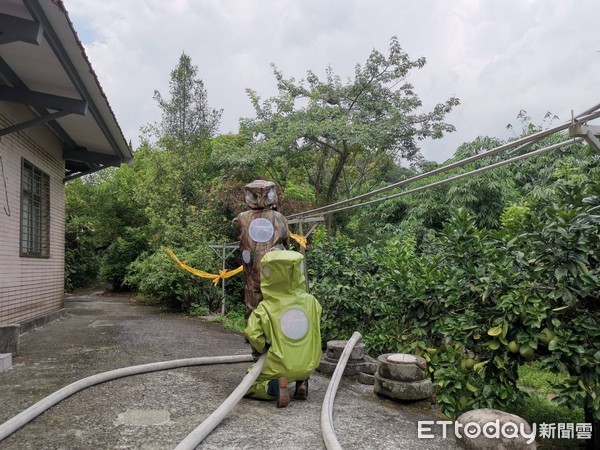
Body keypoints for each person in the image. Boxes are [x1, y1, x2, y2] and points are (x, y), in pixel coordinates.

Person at [244, 250, 322, 408]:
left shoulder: (266, 307)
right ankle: (302, 382)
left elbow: (253, 335)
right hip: (309, 364)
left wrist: (263, 347)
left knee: (248, 383)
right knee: (299, 364)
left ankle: (273, 387)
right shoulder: (312, 302)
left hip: (279, 366)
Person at [233, 180, 291, 320]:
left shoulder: (242, 218)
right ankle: (273, 332)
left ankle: (253, 332)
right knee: (275, 298)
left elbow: (239, 237)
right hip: (274, 266)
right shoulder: (279, 218)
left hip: (252, 266)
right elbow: (287, 242)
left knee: (252, 297)